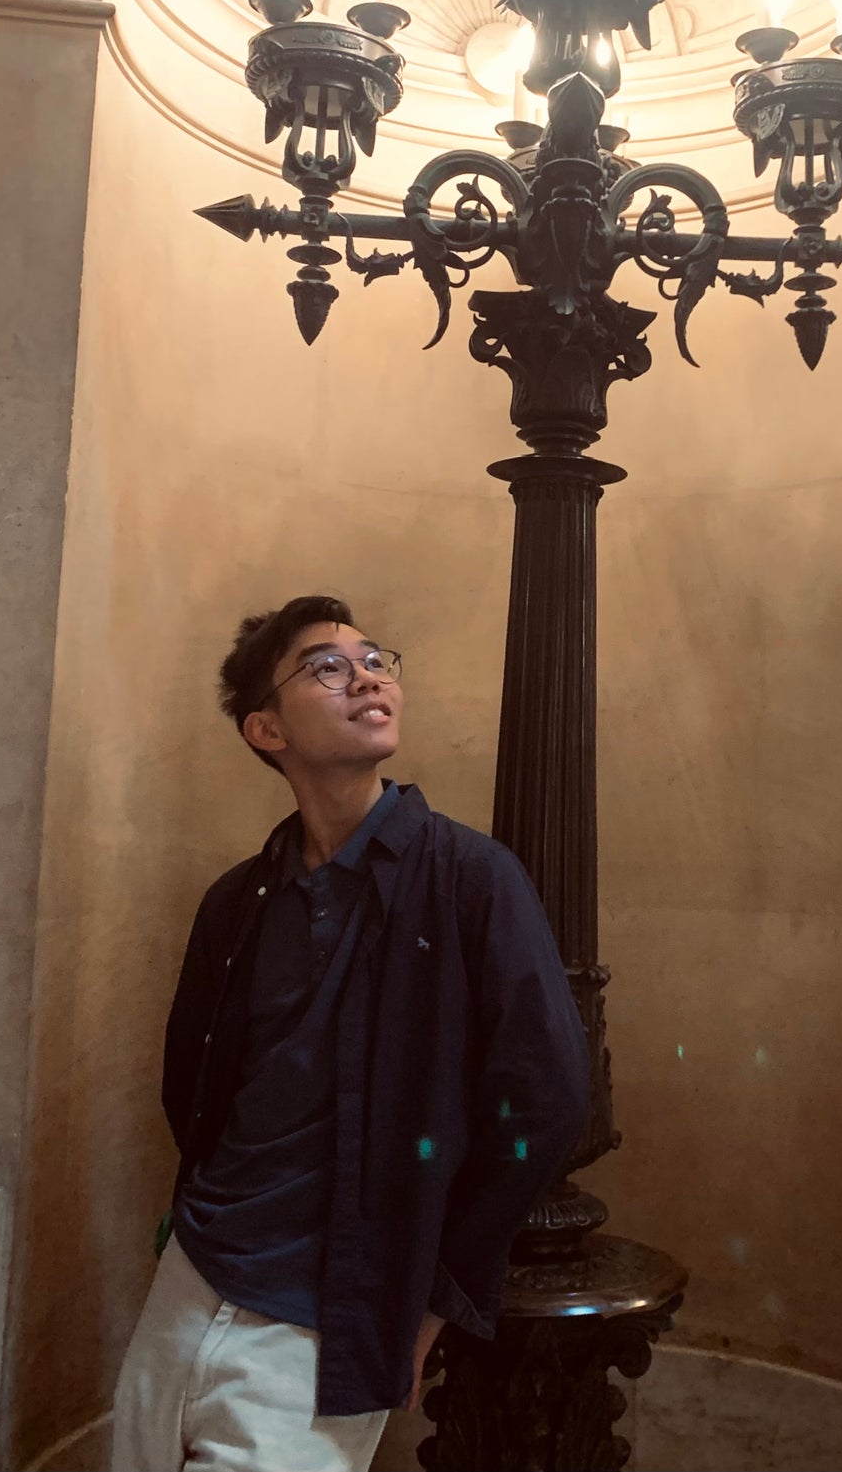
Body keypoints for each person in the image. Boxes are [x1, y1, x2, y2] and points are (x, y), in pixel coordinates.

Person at [110, 594, 589, 1472]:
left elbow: (547, 1100)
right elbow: (194, 1084)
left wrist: (437, 1295)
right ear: (266, 729)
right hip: (190, 1280)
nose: (368, 677)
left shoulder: (471, 879)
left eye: (375, 660)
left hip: (329, 1314)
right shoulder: (237, 902)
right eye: (328, 667)